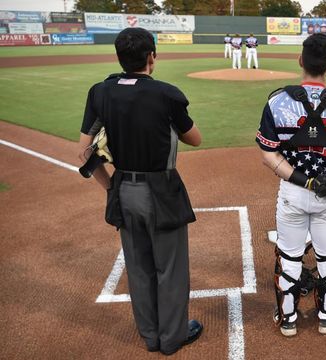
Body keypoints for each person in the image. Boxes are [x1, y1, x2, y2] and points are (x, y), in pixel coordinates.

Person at [77, 28, 204, 355]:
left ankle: (150, 335)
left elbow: (83, 152)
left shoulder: (99, 92)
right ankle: (172, 337)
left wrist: (110, 188)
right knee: (170, 268)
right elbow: (195, 138)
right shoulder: (167, 94)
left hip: (123, 188)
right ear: (151, 57)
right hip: (161, 191)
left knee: (138, 266)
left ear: (120, 57)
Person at [255, 33, 326, 337]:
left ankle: (288, 320)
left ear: (301, 61)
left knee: (289, 256)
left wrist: (303, 176)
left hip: (292, 192)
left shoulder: (277, 102)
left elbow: (267, 153)